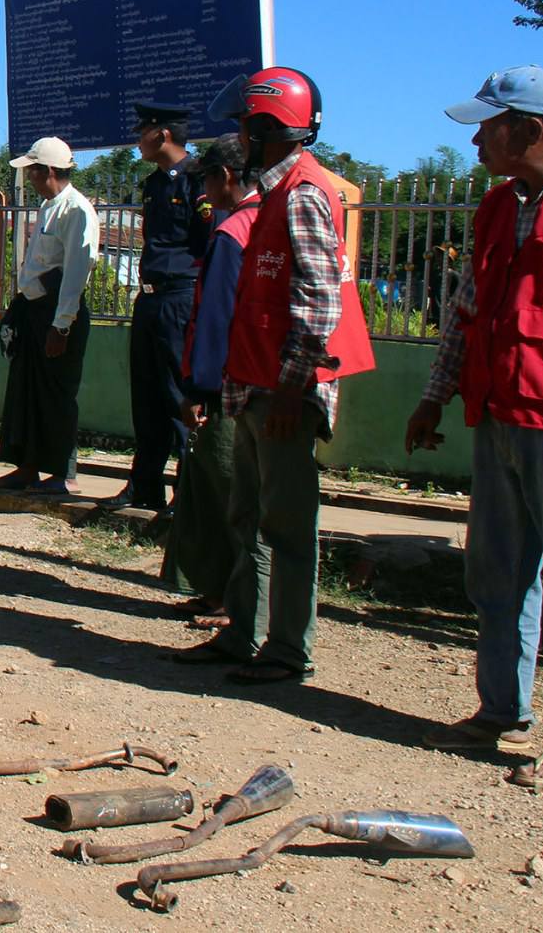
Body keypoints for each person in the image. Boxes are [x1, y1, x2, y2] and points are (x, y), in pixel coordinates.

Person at [409, 65, 543, 792]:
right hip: (500, 410)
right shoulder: (495, 206)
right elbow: (466, 307)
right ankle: (498, 710)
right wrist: (435, 393)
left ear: (531, 131)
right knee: (498, 574)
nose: (477, 138)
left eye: (490, 124)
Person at [174, 67, 374, 686]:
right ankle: (244, 633)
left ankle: (288, 650)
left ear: (265, 125)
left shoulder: (307, 193)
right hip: (256, 385)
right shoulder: (273, 193)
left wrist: (294, 387)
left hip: (285, 391)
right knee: (249, 516)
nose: (239, 134)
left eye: (245, 124)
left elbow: (320, 300)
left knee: (286, 527)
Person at [160, 133, 261, 627]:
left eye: (204, 181)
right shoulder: (244, 223)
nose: (200, 191)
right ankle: (213, 586)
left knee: (227, 490)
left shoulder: (236, 230)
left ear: (224, 177)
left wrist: (199, 388)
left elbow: (218, 316)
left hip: (226, 384)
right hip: (229, 378)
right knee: (204, 485)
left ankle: (232, 600)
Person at [107, 102, 209, 512]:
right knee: (146, 396)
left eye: (142, 132)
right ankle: (144, 484)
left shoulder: (197, 180)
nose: (137, 139)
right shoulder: (153, 184)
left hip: (180, 297)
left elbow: (207, 241)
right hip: (149, 298)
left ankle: (187, 492)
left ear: (162, 134)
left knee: (176, 396)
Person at [0, 137, 100, 496]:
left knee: (56, 394)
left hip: (58, 314)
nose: (32, 179)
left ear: (50, 171)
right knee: (28, 391)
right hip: (35, 310)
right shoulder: (48, 207)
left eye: (35, 172)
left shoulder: (76, 210)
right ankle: (27, 467)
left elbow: (75, 271)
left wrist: (61, 324)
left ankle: (60, 474)